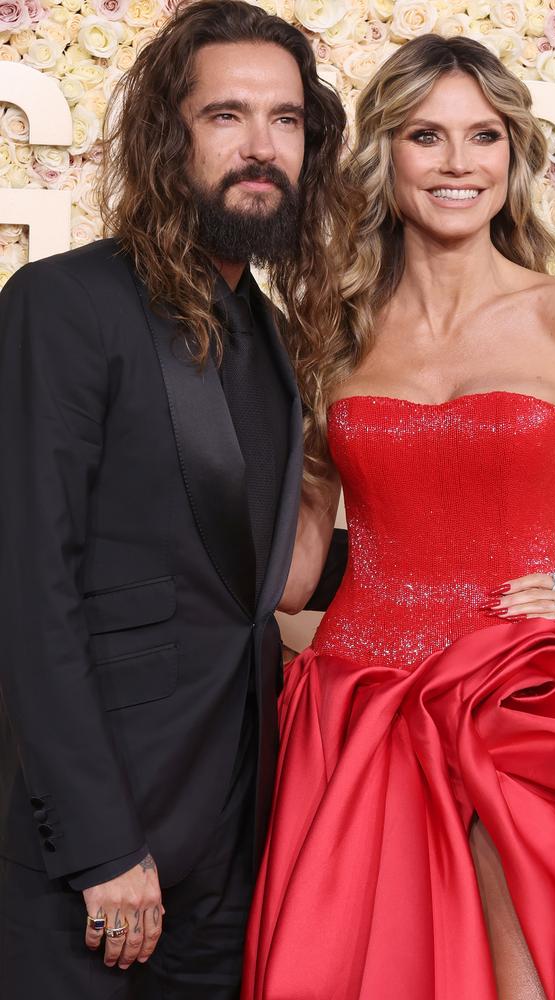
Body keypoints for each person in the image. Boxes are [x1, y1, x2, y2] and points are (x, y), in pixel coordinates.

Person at [242, 34, 555, 1000]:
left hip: (518, 706)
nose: (459, 163)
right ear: (389, 156)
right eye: (428, 136)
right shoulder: (328, 330)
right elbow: (297, 569)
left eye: (485, 137)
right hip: (358, 707)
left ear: (514, 157)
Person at [0, 1, 348, 997]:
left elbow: (253, 571)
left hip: (234, 840)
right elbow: (29, 588)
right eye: (225, 116)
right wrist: (103, 845)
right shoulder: (63, 305)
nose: (260, 146)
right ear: (168, 135)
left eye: (285, 120)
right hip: (92, 852)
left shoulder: (274, 334)